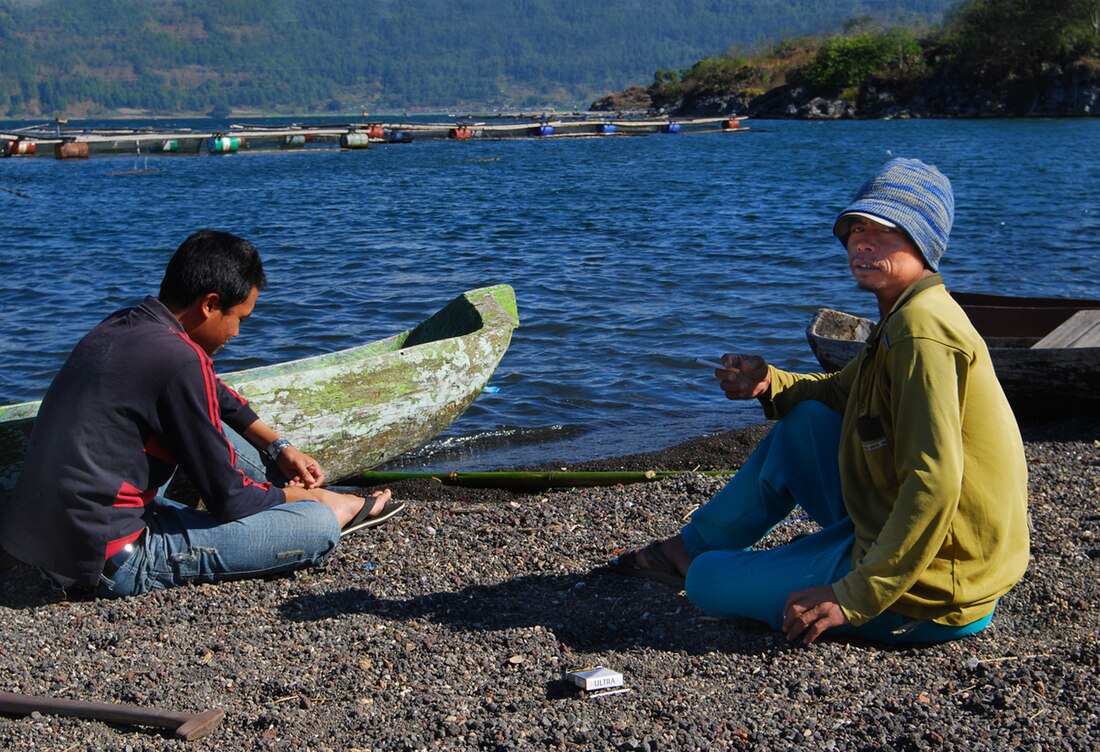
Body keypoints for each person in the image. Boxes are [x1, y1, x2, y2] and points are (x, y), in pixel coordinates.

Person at [608, 158, 1030, 646]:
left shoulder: (922, 333)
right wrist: (768, 384)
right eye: (855, 229)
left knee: (707, 582)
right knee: (805, 420)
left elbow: (933, 483)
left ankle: (704, 561)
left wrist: (852, 596)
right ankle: (686, 549)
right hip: (927, 547)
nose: (863, 242)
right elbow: (835, 394)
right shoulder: (907, 315)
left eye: (886, 231)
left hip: (938, 587)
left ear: (925, 243)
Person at [0, 229, 403, 598]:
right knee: (316, 528)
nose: (237, 335)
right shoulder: (180, 359)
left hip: (40, 540)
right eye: (238, 320)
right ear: (210, 304)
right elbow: (229, 501)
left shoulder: (127, 324)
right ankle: (337, 508)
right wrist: (317, 502)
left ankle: (301, 498)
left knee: (225, 435)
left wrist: (280, 447)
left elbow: (214, 392)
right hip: (106, 559)